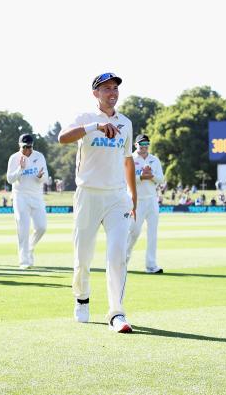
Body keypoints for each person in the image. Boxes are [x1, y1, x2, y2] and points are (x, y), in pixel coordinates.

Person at [58, 72, 136, 333]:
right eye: (106, 89)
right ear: (95, 94)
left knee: (117, 255)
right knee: (82, 256)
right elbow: (63, 138)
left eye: (115, 88)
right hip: (88, 194)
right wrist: (95, 127)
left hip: (116, 197)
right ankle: (82, 299)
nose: (112, 92)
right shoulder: (85, 118)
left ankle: (117, 313)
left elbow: (127, 160)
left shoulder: (125, 122)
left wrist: (132, 196)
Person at [6, 134, 49, 269]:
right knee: (23, 228)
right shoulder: (14, 158)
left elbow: (46, 177)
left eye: (30, 147)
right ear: (20, 146)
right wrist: (20, 169)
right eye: (24, 147)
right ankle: (24, 260)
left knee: (41, 227)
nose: (28, 150)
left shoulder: (39, 156)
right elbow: (10, 179)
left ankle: (30, 247)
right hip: (20, 196)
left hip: (36, 195)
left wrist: (40, 177)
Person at [126, 134, 165, 274]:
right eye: (141, 144)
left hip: (152, 200)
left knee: (152, 233)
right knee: (134, 232)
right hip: (136, 200)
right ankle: (122, 262)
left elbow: (161, 179)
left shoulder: (154, 159)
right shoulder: (130, 158)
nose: (144, 147)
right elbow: (125, 179)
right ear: (136, 145)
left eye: (146, 144)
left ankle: (151, 265)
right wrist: (141, 177)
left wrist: (151, 176)